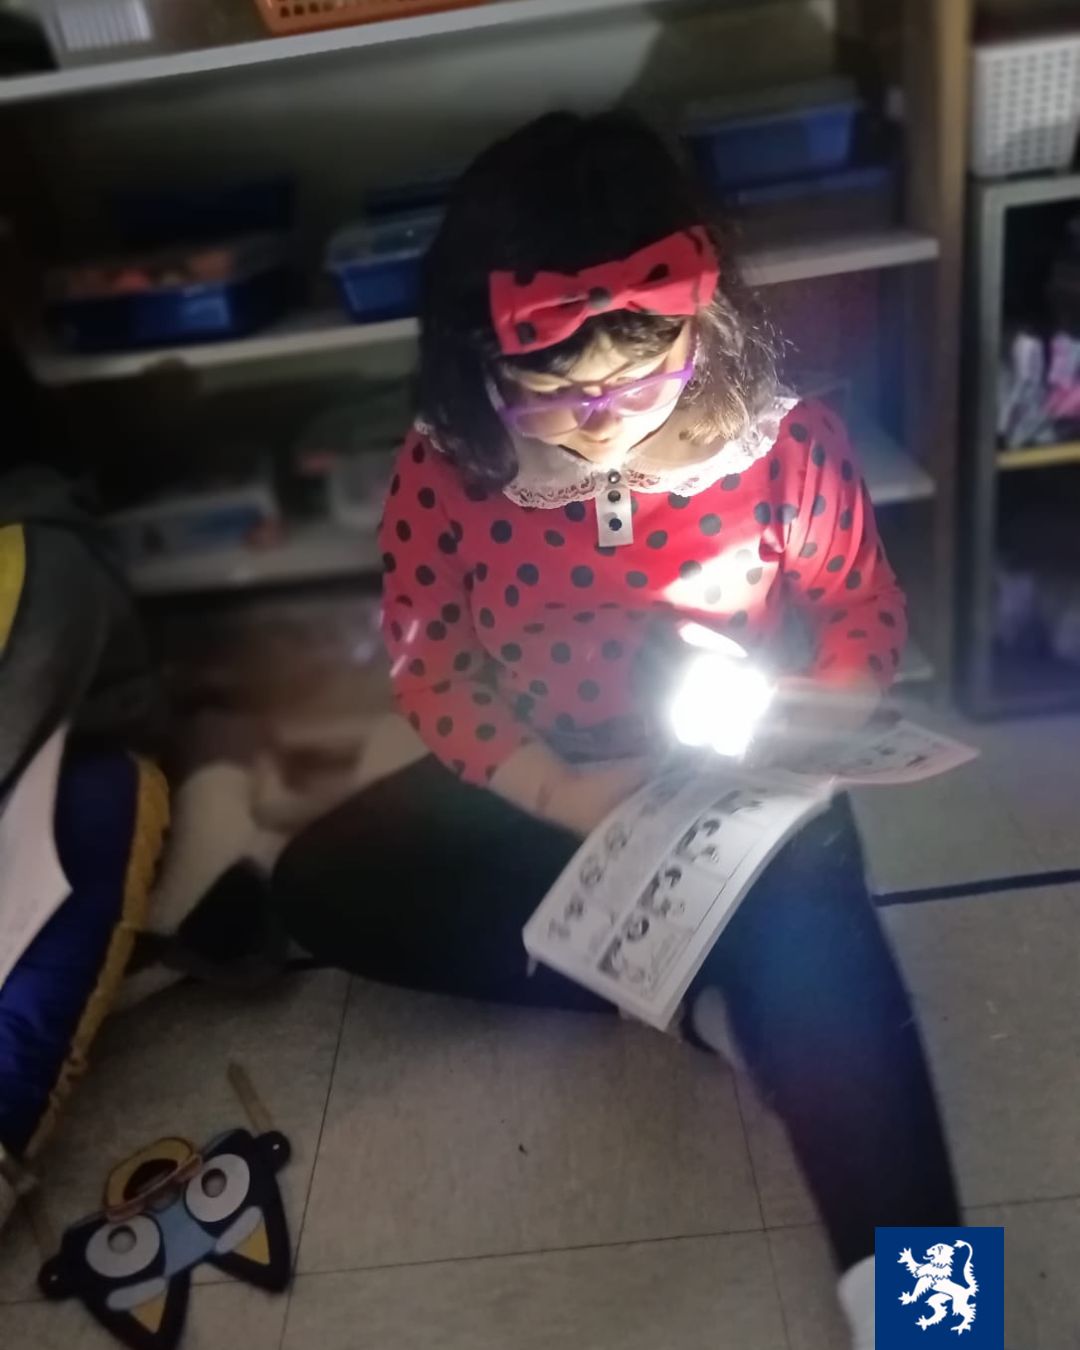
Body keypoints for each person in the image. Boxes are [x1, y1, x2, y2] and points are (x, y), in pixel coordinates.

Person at [272, 111, 960, 1348]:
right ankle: (697, 995)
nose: (600, 417)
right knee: (323, 886)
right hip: (557, 787)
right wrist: (560, 792)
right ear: (476, 356)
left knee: (844, 1012)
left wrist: (810, 728)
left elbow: (861, 610)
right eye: (550, 385)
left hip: (752, 793)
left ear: (707, 326)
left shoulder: (782, 445)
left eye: (640, 378)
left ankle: (935, 1323)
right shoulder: (452, 472)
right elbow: (434, 665)